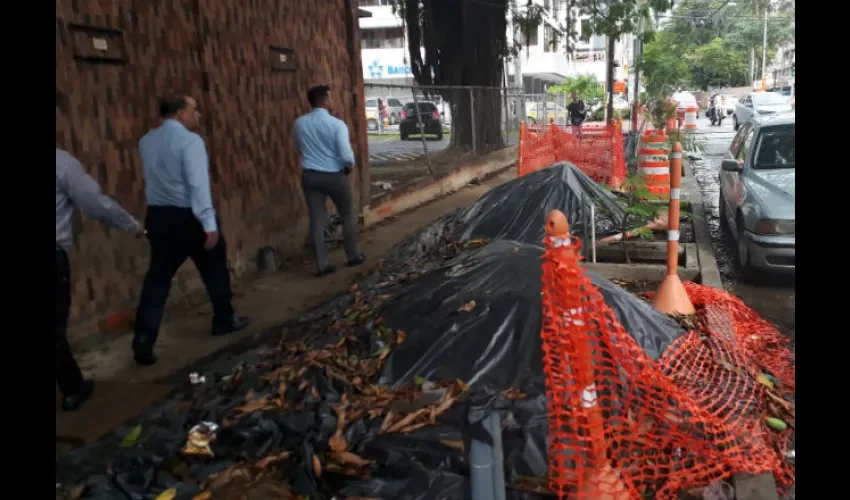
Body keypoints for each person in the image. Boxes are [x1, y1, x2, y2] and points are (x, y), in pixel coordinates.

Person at [133, 93, 249, 366]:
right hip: (189, 217)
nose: (198, 115)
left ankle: (143, 339)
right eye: (194, 109)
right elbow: (198, 186)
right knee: (214, 270)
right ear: (180, 113)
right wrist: (208, 224)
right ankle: (224, 318)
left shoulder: (146, 141)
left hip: (159, 216)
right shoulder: (191, 142)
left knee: (158, 280)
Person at [56, 93, 145, 411]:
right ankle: (72, 388)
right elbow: (94, 203)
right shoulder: (61, 162)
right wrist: (131, 224)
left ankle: (72, 385)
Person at [294, 85, 366, 277]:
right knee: (347, 214)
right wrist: (349, 164)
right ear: (325, 100)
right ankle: (352, 255)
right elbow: (346, 154)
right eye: (330, 98)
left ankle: (322, 264)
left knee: (316, 220)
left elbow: (297, 146)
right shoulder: (337, 125)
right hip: (334, 175)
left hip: (310, 175)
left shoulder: (299, 123)